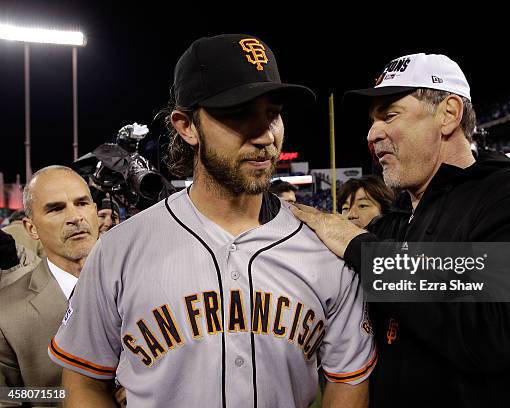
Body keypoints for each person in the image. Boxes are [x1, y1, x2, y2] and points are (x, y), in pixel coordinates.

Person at [49, 34, 375, 408]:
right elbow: (84, 380)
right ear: (186, 126)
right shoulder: (119, 249)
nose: (265, 135)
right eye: (239, 113)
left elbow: (347, 381)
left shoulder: (325, 249)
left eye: (273, 112)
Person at [292, 53, 510, 407]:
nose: (372, 133)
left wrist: (361, 248)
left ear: (448, 114)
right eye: (372, 120)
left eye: (389, 114)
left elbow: (494, 329)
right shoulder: (400, 219)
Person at [0, 165, 99, 388]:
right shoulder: (5, 315)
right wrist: (67, 398)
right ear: (31, 228)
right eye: (56, 209)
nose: (75, 217)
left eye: (82, 203)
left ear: (95, 210)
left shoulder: (141, 285)